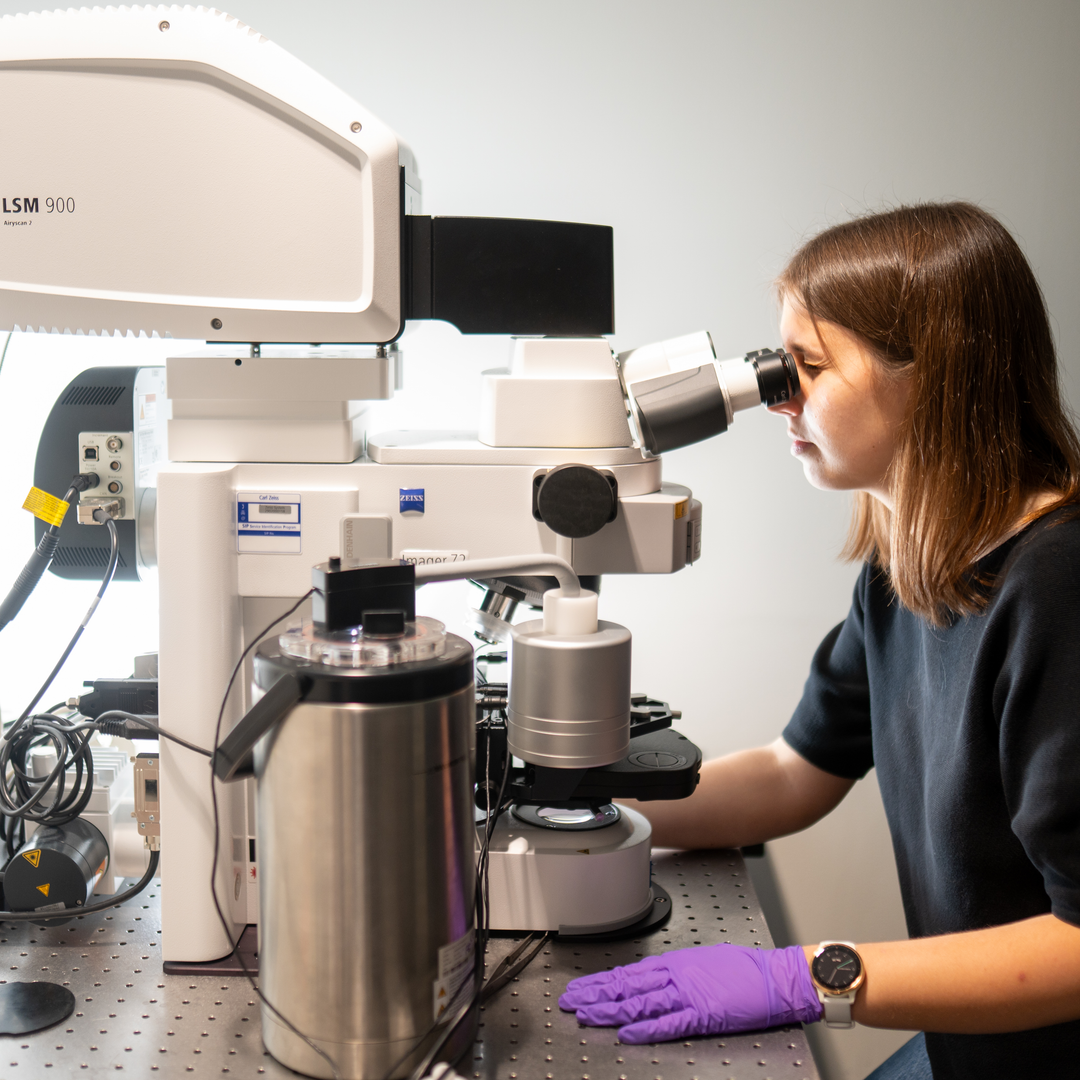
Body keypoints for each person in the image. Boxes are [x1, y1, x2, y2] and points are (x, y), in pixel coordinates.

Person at [558, 202, 1080, 1080]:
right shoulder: (905, 568)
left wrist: (810, 974)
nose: (778, 400)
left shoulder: (1057, 588)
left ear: (933, 374)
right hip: (978, 1056)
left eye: (805, 367)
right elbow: (794, 772)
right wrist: (571, 815)